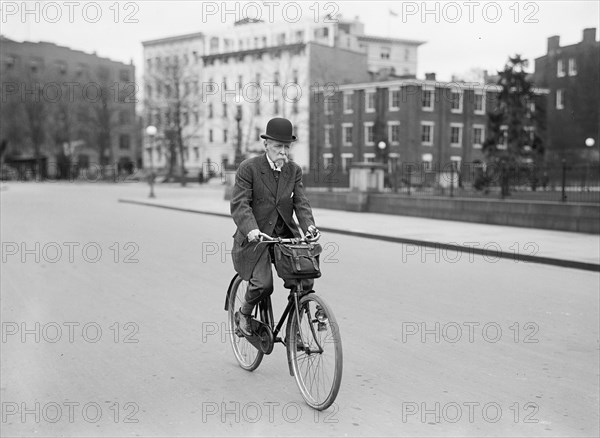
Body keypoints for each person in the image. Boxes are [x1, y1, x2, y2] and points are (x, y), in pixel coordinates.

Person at [230, 117, 319, 336]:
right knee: (263, 285)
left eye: (286, 146)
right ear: (266, 145)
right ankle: (244, 313)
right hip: (256, 239)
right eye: (278, 146)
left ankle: (294, 329)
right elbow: (240, 204)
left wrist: (309, 227)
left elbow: (301, 202)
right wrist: (251, 229)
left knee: (304, 279)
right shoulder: (248, 168)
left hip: (285, 238)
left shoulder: (293, 170)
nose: (282, 151)